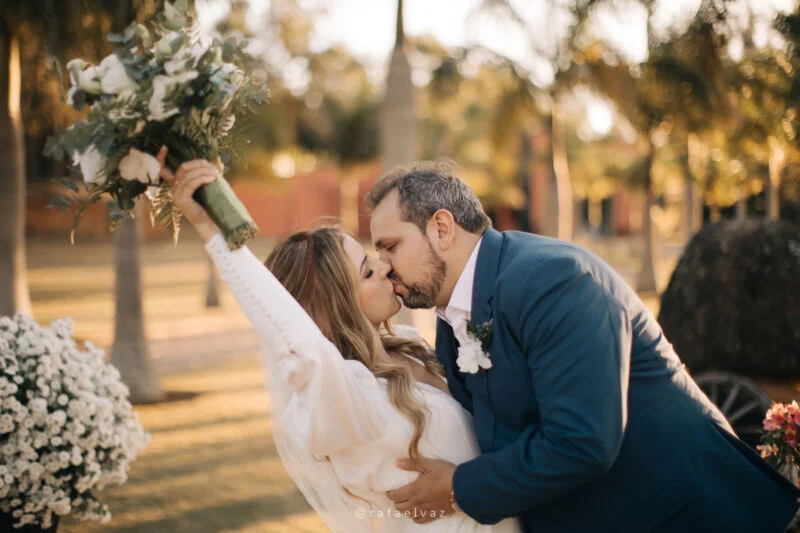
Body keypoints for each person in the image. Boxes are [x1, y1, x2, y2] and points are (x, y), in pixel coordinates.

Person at [367, 160, 800, 533]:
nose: (384, 266)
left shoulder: (550, 279)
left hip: (688, 514)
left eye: (391, 246)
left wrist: (459, 488)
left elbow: (583, 439)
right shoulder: (451, 322)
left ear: (442, 228)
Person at [158, 149, 521, 533]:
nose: (384, 267)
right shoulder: (349, 396)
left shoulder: (409, 345)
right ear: (332, 310)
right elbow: (291, 334)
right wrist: (211, 226)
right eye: (366, 272)